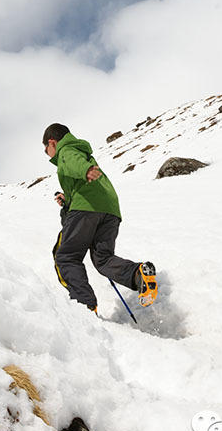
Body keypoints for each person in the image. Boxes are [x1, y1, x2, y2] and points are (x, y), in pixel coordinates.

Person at [44, 123, 157, 313]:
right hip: (110, 211)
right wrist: (67, 200)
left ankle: (85, 307)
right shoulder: (82, 151)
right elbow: (80, 172)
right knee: (103, 259)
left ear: (52, 142)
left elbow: (73, 162)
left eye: (45, 149)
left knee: (66, 257)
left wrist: (85, 170)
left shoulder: (66, 151)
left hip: (86, 208)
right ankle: (138, 274)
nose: (46, 153)